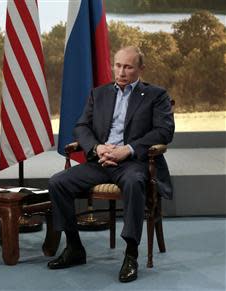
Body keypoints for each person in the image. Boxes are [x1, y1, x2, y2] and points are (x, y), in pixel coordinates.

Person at [47, 46, 174, 282]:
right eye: (118, 65)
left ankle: (131, 253)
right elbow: (81, 127)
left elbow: (164, 131)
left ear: (140, 69)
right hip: (101, 161)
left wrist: (127, 150)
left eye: (128, 67)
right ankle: (74, 247)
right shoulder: (100, 93)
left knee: (135, 183)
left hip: (134, 163)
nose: (121, 72)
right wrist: (97, 148)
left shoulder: (156, 95)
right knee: (57, 183)